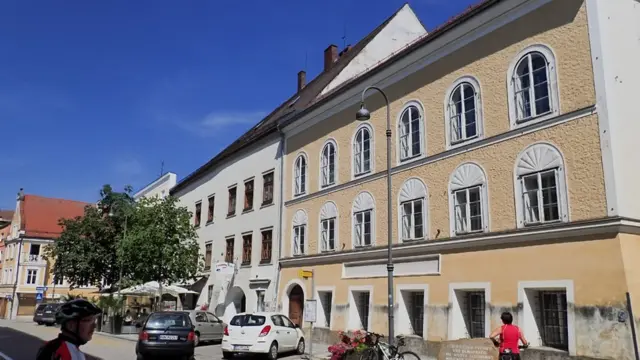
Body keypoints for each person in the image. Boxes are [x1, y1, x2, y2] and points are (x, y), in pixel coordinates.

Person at [36, 298, 102, 360]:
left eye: (94, 320)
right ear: (71, 325)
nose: (94, 326)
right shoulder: (64, 353)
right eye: (89, 320)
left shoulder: (53, 346)